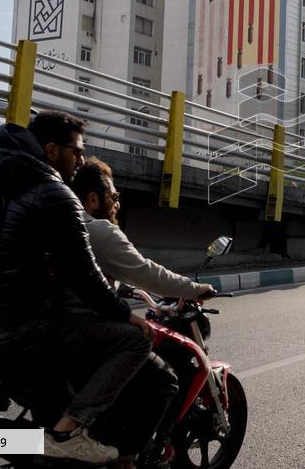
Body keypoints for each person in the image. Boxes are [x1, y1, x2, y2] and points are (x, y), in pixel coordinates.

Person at [0, 111, 153, 464]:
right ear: (50, 150)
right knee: (136, 338)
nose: (79, 159)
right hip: (20, 329)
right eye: (75, 151)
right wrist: (126, 315)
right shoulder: (53, 193)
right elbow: (83, 274)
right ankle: (67, 433)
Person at [67, 157, 217, 467]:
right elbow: (146, 272)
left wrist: (116, 290)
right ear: (93, 199)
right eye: (114, 196)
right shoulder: (98, 231)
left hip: (26, 332)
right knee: (164, 380)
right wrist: (193, 289)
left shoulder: (49, 221)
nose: (117, 203)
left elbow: (86, 277)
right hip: (77, 333)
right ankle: (127, 459)